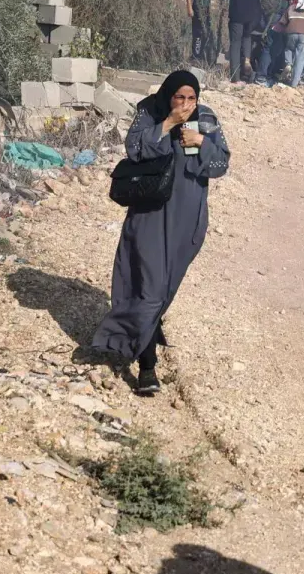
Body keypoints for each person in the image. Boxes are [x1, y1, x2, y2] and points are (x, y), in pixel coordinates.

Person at [94, 71, 229, 397]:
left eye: (191, 98)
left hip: (187, 220)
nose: (185, 104)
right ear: (168, 96)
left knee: (164, 289)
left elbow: (221, 164)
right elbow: (134, 148)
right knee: (150, 289)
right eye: (179, 97)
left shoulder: (206, 119)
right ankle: (146, 366)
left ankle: (144, 332)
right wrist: (168, 124)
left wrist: (202, 143)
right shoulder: (149, 112)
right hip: (150, 215)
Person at [220, 0, 266, 83]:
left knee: (235, 42)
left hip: (237, 11)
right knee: (247, 37)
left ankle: (235, 77)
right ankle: (247, 60)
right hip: (253, 11)